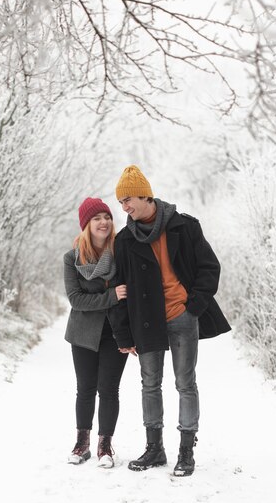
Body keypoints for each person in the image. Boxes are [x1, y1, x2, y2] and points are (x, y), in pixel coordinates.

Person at [111, 165, 231, 476]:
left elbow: (209, 268)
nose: (123, 207)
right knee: (149, 384)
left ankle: (186, 452)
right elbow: (120, 289)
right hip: (146, 321)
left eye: (127, 200)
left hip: (182, 316)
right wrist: (124, 336)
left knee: (185, 383)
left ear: (145, 195)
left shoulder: (184, 227)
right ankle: (155, 449)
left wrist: (194, 306)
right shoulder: (125, 240)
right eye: (121, 202)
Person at [64, 197, 128, 469]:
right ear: (86, 225)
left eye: (107, 217)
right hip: (83, 334)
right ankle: (82, 443)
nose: (104, 222)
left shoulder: (121, 252)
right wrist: (111, 295)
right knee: (85, 389)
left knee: (109, 389)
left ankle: (105, 446)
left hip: (115, 333)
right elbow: (76, 300)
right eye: (96, 218)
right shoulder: (73, 258)